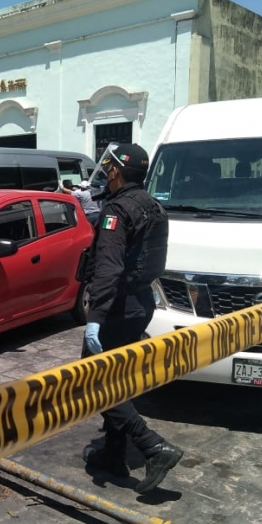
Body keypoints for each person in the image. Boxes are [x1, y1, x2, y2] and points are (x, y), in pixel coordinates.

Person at [81, 143, 183, 494]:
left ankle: (152, 446)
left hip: (117, 307)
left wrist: (95, 316)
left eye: (108, 168)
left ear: (115, 171)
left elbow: (108, 269)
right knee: (117, 377)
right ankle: (113, 452)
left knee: (94, 381)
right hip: (141, 302)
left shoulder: (117, 210)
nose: (106, 174)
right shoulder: (152, 205)